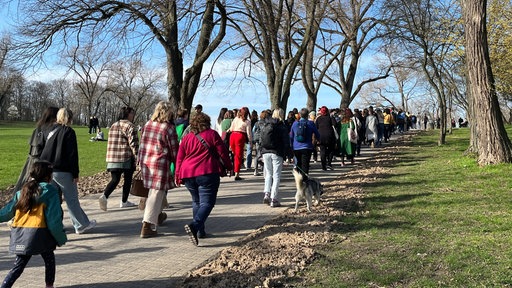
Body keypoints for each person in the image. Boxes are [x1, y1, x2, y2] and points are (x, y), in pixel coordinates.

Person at [0, 161, 67, 288]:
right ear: (48, 176)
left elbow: (7, 212)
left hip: (21, 234)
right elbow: (54, 220)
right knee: (49, 260)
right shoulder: (51, 192)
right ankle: (49, 285)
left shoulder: (22, 192)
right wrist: (60, 238)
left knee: (18, 266)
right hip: (41, 234)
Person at [175, 112, 233, 246]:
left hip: (188, 173)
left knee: (196, 202)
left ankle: (200, 231)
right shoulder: (212, 134)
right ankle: (194, 227)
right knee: (207, 203)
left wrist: (177, 175)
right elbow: (223, 152)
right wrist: (230, 167)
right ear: (206, 122)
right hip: (207, 172)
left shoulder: (187, 138)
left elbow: (179, 157)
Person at [40, 108, 96, 234]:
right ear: (70, 118)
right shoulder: (68, 131)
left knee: (52, 200)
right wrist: (75, 173)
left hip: (49, 170)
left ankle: (53, 225)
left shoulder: (51, 131)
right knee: (71, 199)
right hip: (63, 170)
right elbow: (72, 155)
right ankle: (80, 224)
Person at [138, 101, 179, 238]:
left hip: (145, 162)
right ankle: (147, 225)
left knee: (155, 191)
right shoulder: (168, 128)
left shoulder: (147, 125)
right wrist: (177, 162)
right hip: (159, 163)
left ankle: (158, 215)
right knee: (156, 192)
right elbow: (174, 149)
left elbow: (142, 143)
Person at [98, 107, 139, 211]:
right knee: (128, 179)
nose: (133, 115)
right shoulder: (130, 126)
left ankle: (104, 196)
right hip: (126, 157)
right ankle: (124, 201)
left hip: (112, 157)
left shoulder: (113, 125)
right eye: (132, 113)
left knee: (115, 179)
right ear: (128, 114)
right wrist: (137, 156)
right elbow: (133, 143)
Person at [14, 107, 60, 192]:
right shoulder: (50, 129)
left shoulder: (38, 128)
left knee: (25, 185)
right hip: (40, 161)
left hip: (31, 160)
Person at [260, 108, 290, 207]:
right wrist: (289, 155)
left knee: (268, 174)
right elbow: (286, 142)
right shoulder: (281, 126)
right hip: (277, 152)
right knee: (276, 175)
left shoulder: (266, 124)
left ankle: (266, 194)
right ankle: (274, 198)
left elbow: (261, 139)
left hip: (265, 152)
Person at [289, 108, 320, 181]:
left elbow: (291, 136)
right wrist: (318, 140)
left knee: (298, 164)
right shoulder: (310, 123)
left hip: (296, 147)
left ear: (299, 115)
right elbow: (317, 134)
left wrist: (291, 146)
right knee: (305, 164)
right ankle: (304, 181)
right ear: (307, 115)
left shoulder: (295, 123)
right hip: (307, 147)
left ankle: (299, 180)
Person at [228, 107, 252, 180]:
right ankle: (237, 173)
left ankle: (230, 170)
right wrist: (250, 141)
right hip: (240, 136)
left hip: (232, 135)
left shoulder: (236, 119)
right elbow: (249, 133)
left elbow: (231, 128)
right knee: (238, 156)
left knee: (233, 154)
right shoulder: (247, 121)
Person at [315, 106, 337, 170]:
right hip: (330, 136)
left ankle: (323, 166)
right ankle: (329, 163)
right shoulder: (330, 117)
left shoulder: (318, 119)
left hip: (321, 136)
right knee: (331, 149)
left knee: (322, 151)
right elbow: (335, 124)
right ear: (327, 111)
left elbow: (316, 127)